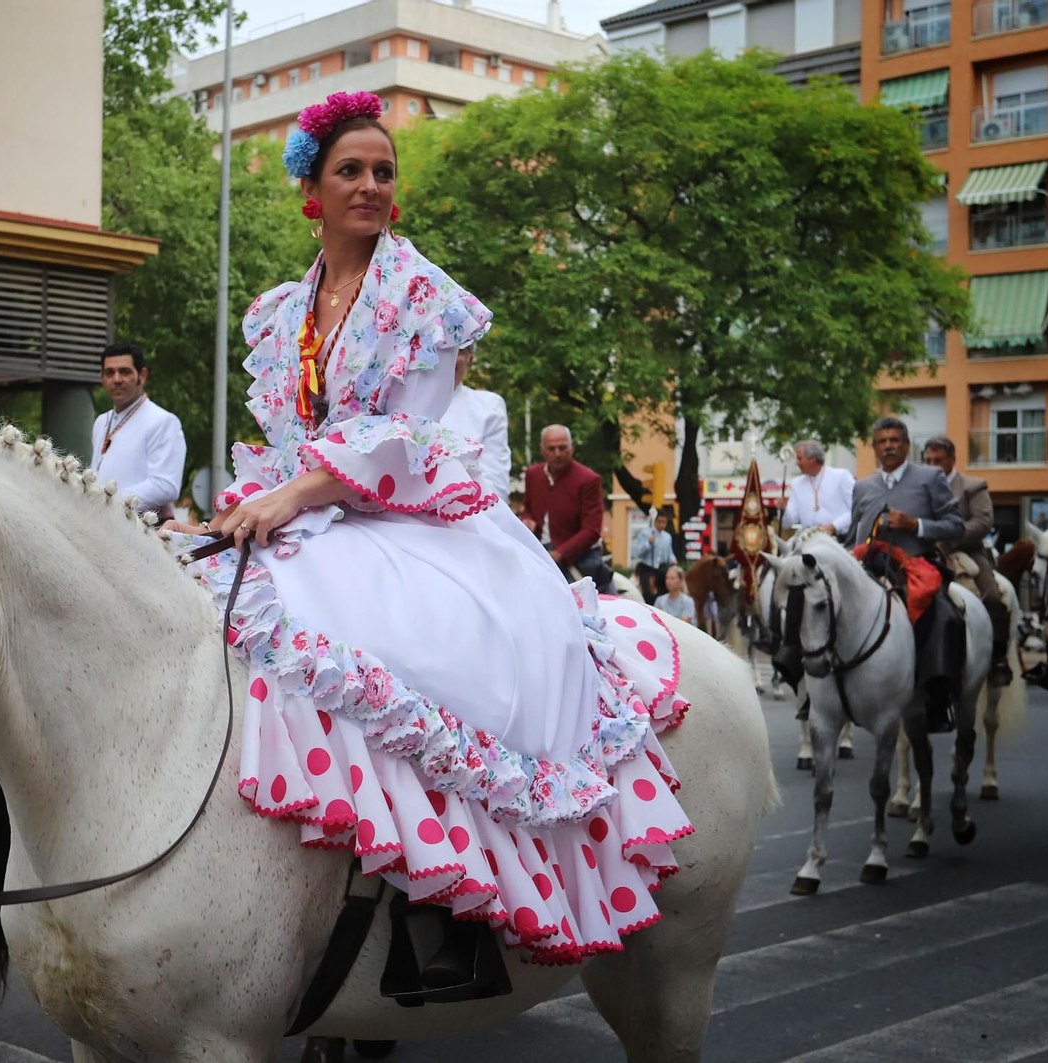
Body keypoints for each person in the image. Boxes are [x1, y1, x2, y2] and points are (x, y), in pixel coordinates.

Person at [168, 92, 691, 985]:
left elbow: (404, 438)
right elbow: (295, 436)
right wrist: (251, 502)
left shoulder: (422, 296)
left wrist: (293, 495)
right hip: (315, 504)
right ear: (313, 189)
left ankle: (450, 904)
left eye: (382, 171)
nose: (370, 185)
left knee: (421, 648)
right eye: (351, 171)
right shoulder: (282, 309)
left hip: (409, 513)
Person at [846, 416, 966, 730]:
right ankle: (821, 694)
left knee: (946, 617)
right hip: (869, 570)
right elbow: (852, 537)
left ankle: (937, 701)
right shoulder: (862, 487)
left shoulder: (930, 477)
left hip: (918, 569)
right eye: (882, 441)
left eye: (895, 440)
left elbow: (956, 525)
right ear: (874, 448)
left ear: (907, 445)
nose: (888, 446)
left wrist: (917, 525)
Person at [921, 434, 1012, 685]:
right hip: (927, 553)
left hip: (968, 551)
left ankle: (998, 658)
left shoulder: (972, 486)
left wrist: (947, 539)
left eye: (938, 460)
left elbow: (983, 521)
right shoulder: (920, 485)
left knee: (993, 595)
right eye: (928, 460)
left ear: (952, 459)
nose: (932, 466)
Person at [88, 340, 186, 523]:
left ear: (142, 375)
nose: (117, 379)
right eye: (109, 373)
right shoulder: (101, 421)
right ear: (102, 378)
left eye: (125, 372)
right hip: (101, 524)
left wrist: (110, 500)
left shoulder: (163, 421)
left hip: (142, 530)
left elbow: (166, 486)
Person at [523, 425, 611, 591]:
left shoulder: (589, 479)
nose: (557, 453)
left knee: (600, 602)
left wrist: (560, 554)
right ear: (543, 450)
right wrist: (527, 519)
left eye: (562, 447)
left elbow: (591, 530)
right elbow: (527, 508)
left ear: (572, 448)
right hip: (540, 552)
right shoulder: (532, 475)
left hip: (578, 556)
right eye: (551, 448)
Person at [440, 343, 509, 499]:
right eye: (440, 348)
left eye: (459, 351)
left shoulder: (488, 408)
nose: (448, 357)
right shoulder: (395, 403)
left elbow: (495, 485)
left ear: (470, 360)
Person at [780, 439, 854, 537]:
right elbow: (787, 524)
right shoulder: (797, 484)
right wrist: (785, 509)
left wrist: (833, 526)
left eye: (800, 459)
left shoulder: (841, 477)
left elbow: (856, 510)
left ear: (813, 459)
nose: (796, 463)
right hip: (809, 541)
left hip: (839, 539)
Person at [631, 510, 676, 605]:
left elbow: (670, 553)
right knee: (648, 593)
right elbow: (639, 552)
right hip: (648, 567)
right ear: (655, 522)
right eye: (659, 522)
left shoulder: (667, 537)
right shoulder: (646, 534)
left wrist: (673, 560)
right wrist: (648, 543)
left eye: (664, 522)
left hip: (662, 568)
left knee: (665, 589)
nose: (661, 525)